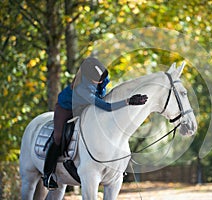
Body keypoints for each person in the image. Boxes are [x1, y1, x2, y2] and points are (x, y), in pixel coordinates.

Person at [42, 57, 148, 189]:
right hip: (66, 109)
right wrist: (128, 102)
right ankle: (47, 175)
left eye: (103, 78)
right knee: (58, 137)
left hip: (85, 108)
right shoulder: (82, 88)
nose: (102, 81)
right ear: (88, 78)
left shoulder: (102, 78)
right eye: (98, 80)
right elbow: (106, 106)